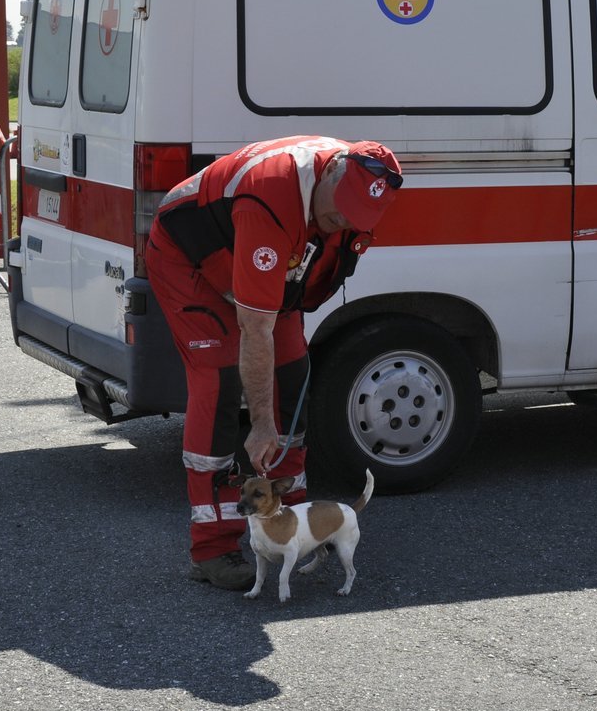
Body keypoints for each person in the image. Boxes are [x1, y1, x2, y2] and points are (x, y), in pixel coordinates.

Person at [144, 135, 404, 589]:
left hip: (258, 262)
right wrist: (261, 424)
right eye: (337, 211)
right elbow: (255, 327)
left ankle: (294, 523)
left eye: (353, 217)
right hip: (190, 263)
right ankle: (212, 548)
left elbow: (306, 282)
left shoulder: (359, 185)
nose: (341, 222)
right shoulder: (270, 195)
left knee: (292, 375)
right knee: (220, 384)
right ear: (329, 173)